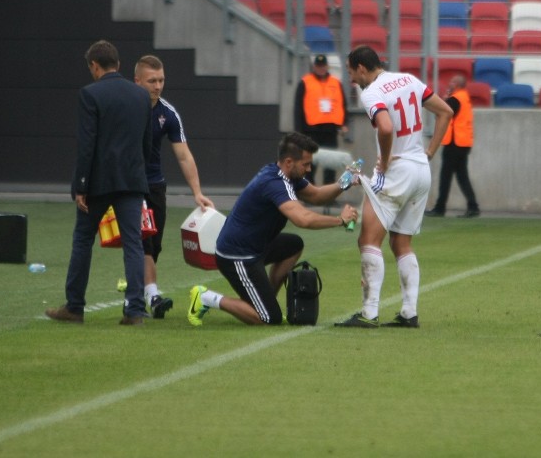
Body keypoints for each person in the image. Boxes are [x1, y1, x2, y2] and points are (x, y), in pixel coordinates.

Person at [186, 132, 358, 326]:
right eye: (306, 164)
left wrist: (345, 181)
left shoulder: (287, 176)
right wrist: (340, 220)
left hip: (257, 246)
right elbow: (302, 219)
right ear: (289, 162)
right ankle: (206, 297)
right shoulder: (274, 183)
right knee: (268, 318)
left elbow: (316, 195)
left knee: (293, 245)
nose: (309, 169)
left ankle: (263, 301)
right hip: (237, 256)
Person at [335, 46, 453, 328]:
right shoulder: (409, 80)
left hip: (397, 172)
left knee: (367, 240)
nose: (352, 79)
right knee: (401, 242)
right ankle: (409, 313)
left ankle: (369, 313)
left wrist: (384, 166)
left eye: (351, 72)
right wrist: (429, 153)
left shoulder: (372, 92)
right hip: (420, 169)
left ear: (362, 68)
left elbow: (386, 128)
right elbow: (446, 112)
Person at [46, 40, 152, 325]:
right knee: (134, 244)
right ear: (117, 63)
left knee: (83, 240)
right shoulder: (141, 96)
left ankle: (75, 306)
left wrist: (80, 185)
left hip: (99, 182)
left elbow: (87, 144)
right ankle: (134, 310)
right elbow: (146, 142)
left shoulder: (90, 94)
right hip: (132, 179)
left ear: (95, 65)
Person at [132, 55, 215, 318]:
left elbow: (183, 155)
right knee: (143, 240)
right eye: (151, 81)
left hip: (155, 185)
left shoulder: (167, 113)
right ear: (137, 81)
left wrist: (197, 193)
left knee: (154, 244)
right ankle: (152, 297)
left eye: (161, 80)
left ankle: (139, 288)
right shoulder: (126, 107)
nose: (157, 86)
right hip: (130, 185)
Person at [425, 74, 481, 218]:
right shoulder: (464, 97)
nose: (449, 83)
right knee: (462, 176)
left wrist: (444, 99)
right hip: (463, 142)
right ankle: (473, 206)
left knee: (446, 176)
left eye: (451, 81)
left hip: (454, 143)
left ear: (456, 84)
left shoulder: (455, 99)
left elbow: (441, 112)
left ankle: (440, 208)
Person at [294, 54, 349, 185]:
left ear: (327, 66)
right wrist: (298, 131)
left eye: (323, 66)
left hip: (330, 130)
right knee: (310, 163)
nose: (321, 69)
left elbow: (343, 104)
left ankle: (328, 192)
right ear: (314, 67)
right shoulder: (305, 82)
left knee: (331, 163)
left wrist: (344, 123)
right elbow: (298, 108)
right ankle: (310, 191)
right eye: (318, 66)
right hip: (311, 130)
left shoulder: (336, 83)